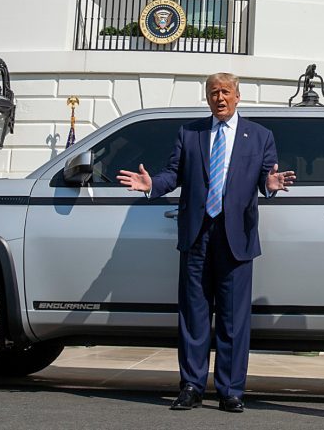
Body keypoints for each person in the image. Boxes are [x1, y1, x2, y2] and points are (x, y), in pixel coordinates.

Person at [117, 72, 295, 413]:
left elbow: (265, 179)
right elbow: (174, 174)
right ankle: (192, 385)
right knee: (194, 314)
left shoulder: (259, 136)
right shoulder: (190, 133)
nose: (220, 98)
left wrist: (270, 183)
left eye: (226, 92)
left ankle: (231, 390)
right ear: (207, 97)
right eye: (214, 93)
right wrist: (152, 183)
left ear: (238, 96)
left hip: (236, 238)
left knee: (233, 318)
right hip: (197, 235)